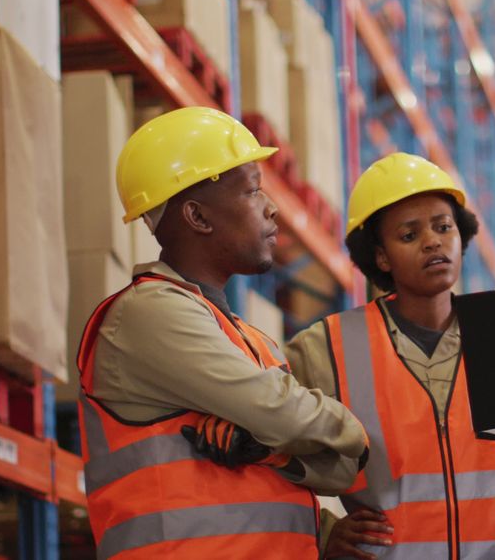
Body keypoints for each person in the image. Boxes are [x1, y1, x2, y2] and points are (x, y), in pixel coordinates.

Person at [75, 106, 368, 558]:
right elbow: (286, 415)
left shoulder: (251, 340)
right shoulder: (148, 315)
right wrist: (347, 424)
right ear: (197, 216)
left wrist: (271, 451)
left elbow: (340, 470)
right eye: (252, 191)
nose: (271, 207)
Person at [284, 152, 495, 560]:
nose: (433, 241)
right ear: (381, 256)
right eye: (409, 235)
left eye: (444, 227)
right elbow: (266, 454)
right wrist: (322, 531)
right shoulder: (326, 348)